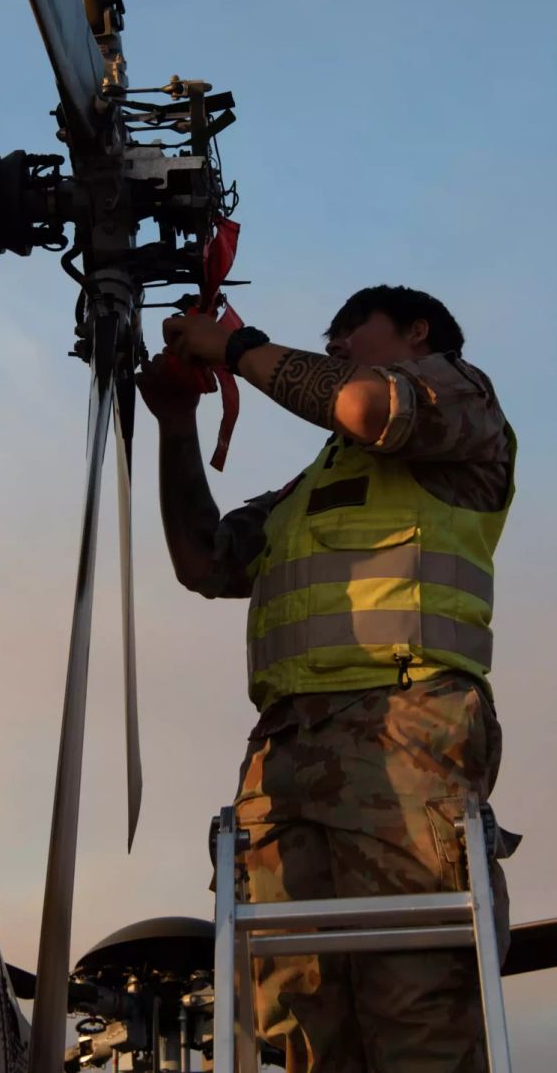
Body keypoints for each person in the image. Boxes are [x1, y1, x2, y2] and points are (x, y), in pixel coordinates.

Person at [137, 284, 515, 1073]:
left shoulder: (458, 396)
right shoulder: (305, 492)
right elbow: (204, 560)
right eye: (330, 335)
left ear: (417, 333)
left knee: (418, 1011)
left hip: (405, 731)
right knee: (299, 1016)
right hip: (286, 755)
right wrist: (177, 425)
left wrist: (238, 347)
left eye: (352, 329)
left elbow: (373, 409)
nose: (337, 344)